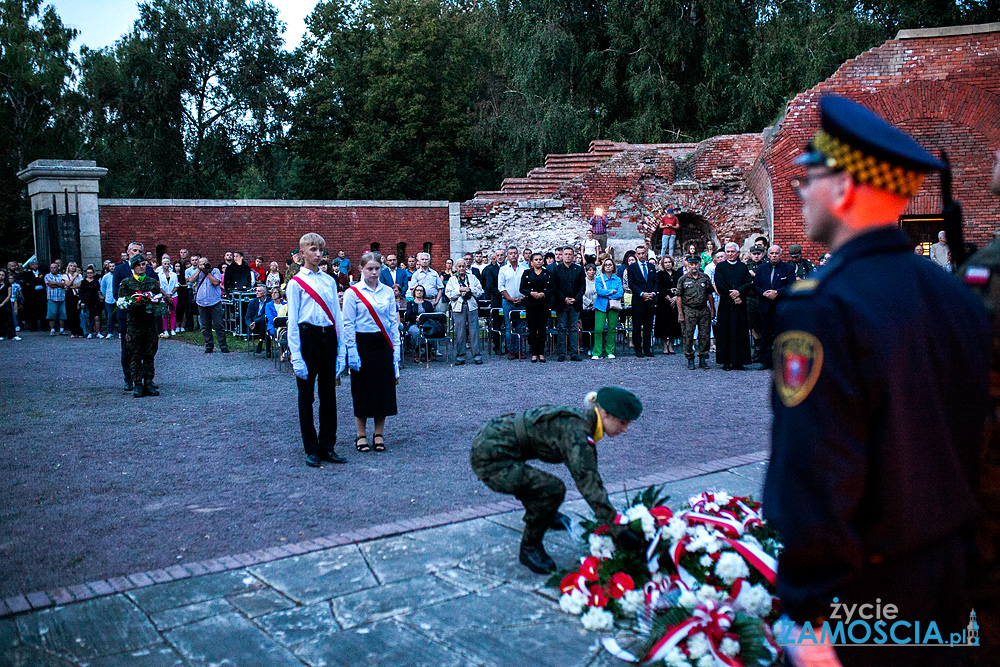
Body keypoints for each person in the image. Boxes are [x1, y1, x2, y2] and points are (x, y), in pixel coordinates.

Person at [764, 95, 989, 667]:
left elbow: (815, 472)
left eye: (808, 174)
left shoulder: (822, 306)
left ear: (842, 188)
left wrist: (809, 616)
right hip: (949, 576)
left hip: (863, 595)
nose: (798, 191)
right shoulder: (956, 296)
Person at [470, 387, 645, 574]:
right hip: (491, 457)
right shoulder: (579, 434)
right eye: (622, 422)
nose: (625, 429)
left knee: (538, 485)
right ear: (605, 414)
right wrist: (618, 529)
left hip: (497, 440)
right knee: (552, 491)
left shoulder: (583, 421)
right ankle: (530, 546)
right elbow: (589, 484)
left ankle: (545, 513)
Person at [287, 233, 348, 468]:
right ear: (302, 253)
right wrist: (296, 356)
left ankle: (327, 446)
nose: (318, 254)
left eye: (320, 249)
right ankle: (311, 449)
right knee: (306, 397)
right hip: (307, 337)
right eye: (313, 249)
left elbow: (337, 315)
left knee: (328, 396)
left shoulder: (329, 281)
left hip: (328, 337)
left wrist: (341, 349)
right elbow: (293, 321)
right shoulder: (295, 283)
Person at [343, 252, 400, 453]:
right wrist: (352, 352)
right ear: (361, 269)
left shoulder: (387, 292)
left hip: (383, 342)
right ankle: (361, 435)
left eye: (377, 268)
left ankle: (378, 434)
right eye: (370, 269)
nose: (374, 272)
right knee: (362, 391)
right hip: (362, 343)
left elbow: (393, 323)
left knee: (382, 390)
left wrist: (396, 351)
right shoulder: (353, 292)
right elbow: (348, 324)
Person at [118, 255, 162, 397]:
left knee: (150, 354)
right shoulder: (126, 283)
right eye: (139, 265)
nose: (142, 267)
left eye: (144, 264)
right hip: (134, 324)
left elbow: (158, 299)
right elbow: (122, 302)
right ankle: (137, 383)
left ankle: (148, 382)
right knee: (135, 355)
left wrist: (152, 302)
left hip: (149, 323)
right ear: (133, 267)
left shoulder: (153, 282)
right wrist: (135, 303)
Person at [752, 245, 795, 369]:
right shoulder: (761, 268)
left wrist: (777, 292)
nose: (774, 255)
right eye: (772, 253)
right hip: (765, 306)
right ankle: (765, 361)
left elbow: (791, 285)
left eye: (777, 253)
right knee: (765, 335)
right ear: (768, 255)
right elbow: (755, 286)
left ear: (781, 255)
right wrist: (763, 292)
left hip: (780, 307)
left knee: (781, 335)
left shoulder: (788, 268)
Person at [713, 242, 752, 370]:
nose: (730, 254)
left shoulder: (743, 267)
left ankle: (739, 361)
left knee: (739, 332)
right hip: (726, 304)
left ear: (738, 253)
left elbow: (748, 282)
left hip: (740, 304)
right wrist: (732, 296)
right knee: (726, 331)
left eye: (732, 252)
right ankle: (726, 361)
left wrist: (739, 293)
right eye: (728, 252)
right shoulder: (721, 267)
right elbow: (719, 284)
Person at [676, 255, 715, 369]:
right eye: (691, 264)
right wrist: (680, 313)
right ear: (687, 265)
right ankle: (690, 358)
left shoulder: (705, 278)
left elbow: (709, 294)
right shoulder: (683, 279)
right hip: (689, 309)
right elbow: (679, 297)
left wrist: (712, 309)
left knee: (704, 335)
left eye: (696, 264)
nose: (694, 267)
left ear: (699, 264)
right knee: (688, 335)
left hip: (703, 309)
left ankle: (703, 358)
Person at [445, 258, 485, 365]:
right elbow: (448, 294)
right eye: (459, 266)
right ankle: (460, 356)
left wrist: (469, 289)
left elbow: (480, 290)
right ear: (456, 268)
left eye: (463, 266)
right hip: (458, 307)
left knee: (474, 331)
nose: (462, 268)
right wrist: (460, 291)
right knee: (460, 331)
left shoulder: (472, 278)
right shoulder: (452, 280)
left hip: (471, 306)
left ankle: (476, 355)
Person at [552, 246, 585, 362]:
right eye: (565, 254)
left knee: (573, 329)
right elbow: (554, 287)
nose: (567, 256)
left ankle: (573, 353)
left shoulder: (579, 269)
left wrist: (575, 299)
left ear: (573, 256)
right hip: (562, 303)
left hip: (575, 304)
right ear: (562, 255)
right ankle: (561, 353)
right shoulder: (556, 270)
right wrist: (564, 298)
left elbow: (582, 287)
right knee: (561, 328)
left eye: (570, 254)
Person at [519, 252, 554, 363]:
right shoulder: (527, 273)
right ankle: (534, 353)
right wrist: (530, 293)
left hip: (543, 304)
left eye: (540, 259)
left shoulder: (548, 273)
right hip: (531, 304)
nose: (538, 261)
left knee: (542, 329)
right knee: (532, 329)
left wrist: (544, 294)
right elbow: (522, 288)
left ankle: (541, 353)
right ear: (532, 262)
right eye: (536, 260)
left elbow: (553, 288)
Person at [188, 257, 228, 353]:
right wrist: (199, 269)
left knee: (219, 324)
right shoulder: (198, 272)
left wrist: (207, 272)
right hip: (201, 302)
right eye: (201, 263)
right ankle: (209, 345)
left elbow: (215, 283)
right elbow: (191, 280)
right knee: (205, 326)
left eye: (204, 263)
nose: (203, 265)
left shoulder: (215, 271)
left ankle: (223, 345)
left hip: (214, 301)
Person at [625, 245, 657, 357]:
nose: (641, 255)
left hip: (650, 301)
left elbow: (655, 282)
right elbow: (631, 283)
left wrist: (652, 293)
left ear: (646, 254)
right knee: (637, 327)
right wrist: (642, 294)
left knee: (648, 326)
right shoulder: (632, 267)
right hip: (638, 300)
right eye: (639, 254)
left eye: (643, 253)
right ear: (636, 254)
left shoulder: (651, 267)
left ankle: (647, 349)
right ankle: (638, 349)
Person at [592, 258, 624, 359]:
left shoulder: (617, 279)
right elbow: (599, 291)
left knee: (611, 329)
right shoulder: (598, 279)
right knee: (598, 329)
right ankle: (597, 352)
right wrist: (611, 292)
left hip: (613, 306)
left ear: (613, 266)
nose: (608, 266)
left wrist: (608, 294)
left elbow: (620, 293)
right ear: (603, 267)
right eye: (606, 265)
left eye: (610, 264)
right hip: (601, 306)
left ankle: (610, 351)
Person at [498, 246, 526, 359]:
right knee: (508, 327)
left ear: (518, 255)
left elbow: (527, 285)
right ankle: (511, 350)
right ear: (507, 256)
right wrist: (509, 298)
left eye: (515, 253)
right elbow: (501, 286)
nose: (513, 255)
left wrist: (522, 297)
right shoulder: (503, 270)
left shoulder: (524, 269)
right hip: (508, 302)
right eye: (510, 253)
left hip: (521, 302)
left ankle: (519, 350)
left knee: (520, 327)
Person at [655, 255, 681, 354]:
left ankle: (671, 344)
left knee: (673, 323)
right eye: (665, 262)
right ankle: (664, 345)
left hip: (675, 300)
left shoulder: (677, 274)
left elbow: (680, 286)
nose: (668, 264)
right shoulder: (660, 274)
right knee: (663, 324)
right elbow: (660, 287)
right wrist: (669, 298)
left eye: (669, 262)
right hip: (663, 302)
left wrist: (675, 298)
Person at [404, 285, 436, 362]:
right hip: (414, 323)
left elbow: (432, 315)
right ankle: (417, 351)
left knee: (429, 331)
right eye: (417, 290)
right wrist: (416, 318)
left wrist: (423, 318)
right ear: (414, 292)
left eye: (421, 290)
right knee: (416, 332)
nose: (419, 292)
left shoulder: (428, 304)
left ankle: (428, 351)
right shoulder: (410, 303)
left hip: (427, 324)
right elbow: (408, 316)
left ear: (423, 293)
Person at [246, 284, 276, 356]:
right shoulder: (252, 302)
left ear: (264, 293)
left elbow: (268, 315)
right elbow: (247, 316)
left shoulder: (270, 302)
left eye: (259, 291)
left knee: (264, 320)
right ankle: (267, 348)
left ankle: (260, 342)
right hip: (254, 326)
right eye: (256, 291)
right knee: (263, 321)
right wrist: (250, 324)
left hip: (265, 323)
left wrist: (255, 322)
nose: (256, 292)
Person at [156, 256, 178, 337]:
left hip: (173, 295)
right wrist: (166, 295)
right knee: (164, 313)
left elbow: (176, 285)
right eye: (165, 264)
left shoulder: (174, 274)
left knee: (173, 312)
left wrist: (171, 294)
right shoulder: (159, 275)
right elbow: (159, 286)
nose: (167, 265)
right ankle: (165, 329)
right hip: (163, 296)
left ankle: (172, 328)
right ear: (162, 265)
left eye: (168, 264)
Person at [79, 266, 103, 338]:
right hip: (87, 301)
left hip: (95, 301)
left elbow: (99, 290)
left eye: (91, 273)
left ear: (93, 273)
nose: (89, 274)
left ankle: (98, 332)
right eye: (88, 273)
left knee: (97, 317)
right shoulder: (83, 282)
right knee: (88, 318)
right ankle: (89, 332)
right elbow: (81, 292)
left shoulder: (96, 281)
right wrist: (82, 301)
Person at [44, 262, 66, 335]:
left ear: (57, 268)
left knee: (62, 314)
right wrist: (59, 284)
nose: (53, 269)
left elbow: (64, 285)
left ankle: (62, 329)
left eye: (54, 268)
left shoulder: (62, 276)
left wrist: (55, 283)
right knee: (51, 314)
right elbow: (50, 285)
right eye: (51, 268)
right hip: (52, 298)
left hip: (61, 297)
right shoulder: (47, 276)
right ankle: (52, 329)